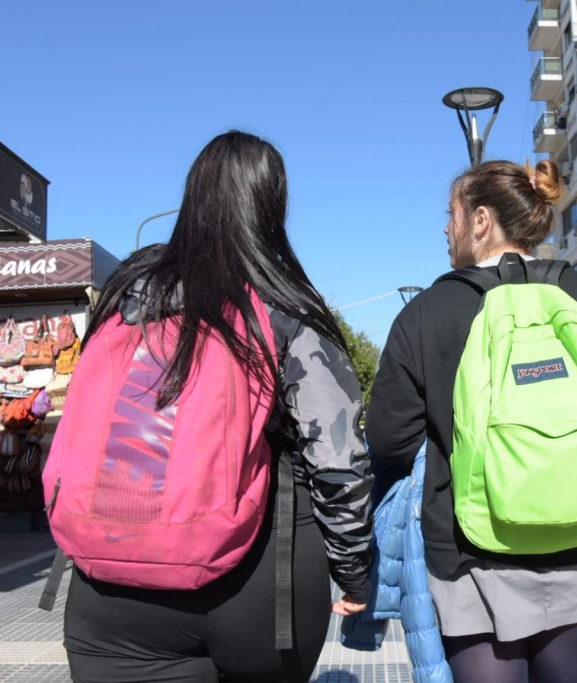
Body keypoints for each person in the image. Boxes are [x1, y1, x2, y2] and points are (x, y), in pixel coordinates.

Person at [61, 131, 373, 682]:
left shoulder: (129, 294)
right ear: (271, 204)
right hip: (259, 582)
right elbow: (337, 456)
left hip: (109, 583)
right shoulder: (282, 305)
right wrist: (354, 571)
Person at [367, 159, 577, 683]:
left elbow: (389, 439)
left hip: (470, 560)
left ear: (481, 220)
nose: (446, 229)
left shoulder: (427, 313)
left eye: (451, 215)